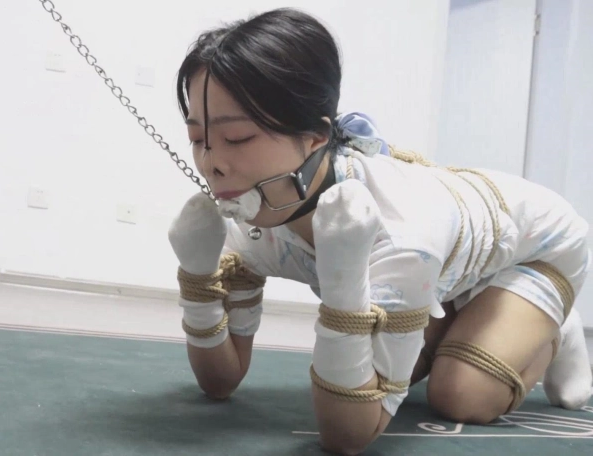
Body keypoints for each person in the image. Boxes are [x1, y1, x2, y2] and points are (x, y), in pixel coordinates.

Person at [166, 7, 592, 455]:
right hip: (453, 257)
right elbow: (220, 382)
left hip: (537, 248)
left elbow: (348, 437)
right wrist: (197, 278)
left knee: (460, 391)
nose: (212, 163)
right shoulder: (255, 220)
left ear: (315, 137)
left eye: (237, 139)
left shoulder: (400, 231)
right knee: (394, 369)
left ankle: (556, 329)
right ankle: (466, 311)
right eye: (198, 139)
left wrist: (345, 283)